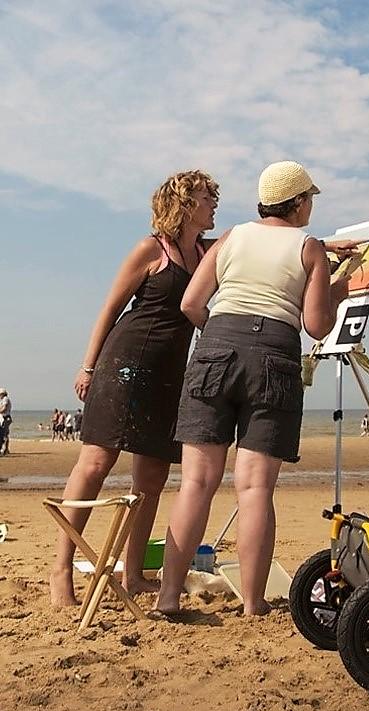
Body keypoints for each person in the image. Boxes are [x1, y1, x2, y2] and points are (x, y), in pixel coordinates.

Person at [155, 160, 360, 617]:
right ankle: (252, 603)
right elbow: (315, 325)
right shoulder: (309, 249)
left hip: (215, 348)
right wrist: (337, 291)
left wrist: (222, 336)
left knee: (195, 482)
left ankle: (168, 597)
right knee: (253, 490)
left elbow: (191, 303)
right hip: (273, 355)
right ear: (300, 202)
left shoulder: (230, 237)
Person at [49, 170, 220, 607]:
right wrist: (88, 366)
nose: (214, 203)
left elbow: (253, 239)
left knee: (153, 476)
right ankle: (61, 569)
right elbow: (110, 308)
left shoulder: (205, 253)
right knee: (96, 462)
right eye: (206, 197)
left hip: (169, 377)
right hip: (124, 366)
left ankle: (132, 573)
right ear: (183, 204)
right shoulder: (151, 248)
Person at [0, 388, 12, 456]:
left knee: (3, 434)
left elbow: (4, 408)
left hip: (5, 418)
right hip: (5, 418)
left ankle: (5, 449)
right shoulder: (4, 399)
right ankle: (6, 449)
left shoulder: (5, 399)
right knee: (5, 434)